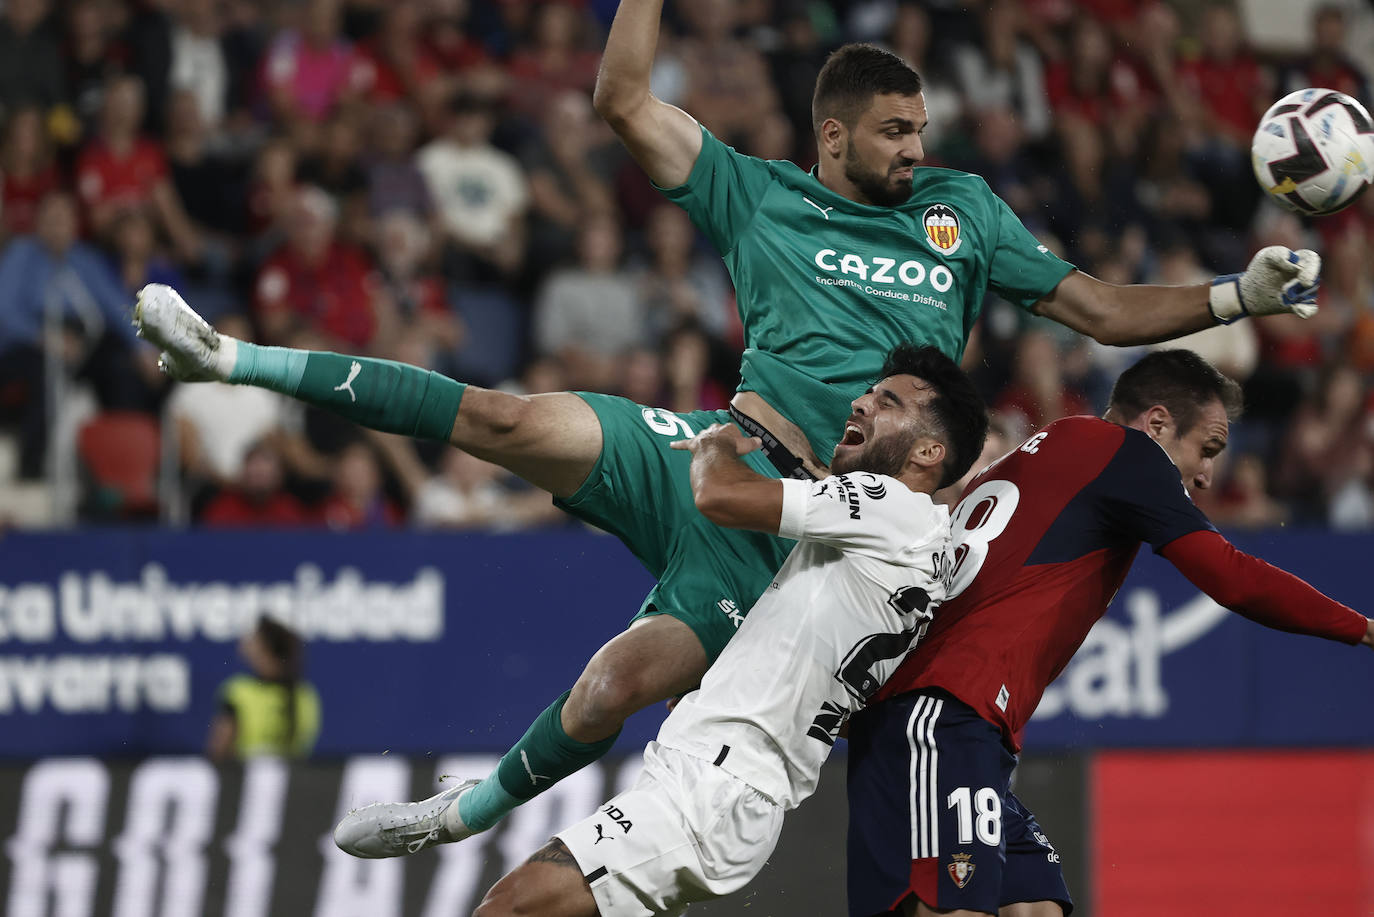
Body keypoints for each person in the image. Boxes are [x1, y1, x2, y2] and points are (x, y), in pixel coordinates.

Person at [133, 6, 1324, 847]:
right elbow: (620, 100)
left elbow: (1098, 306)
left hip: (809, 543)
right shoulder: (758, 191)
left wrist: (1236, 297)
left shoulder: (963, 213)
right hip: (712, 450)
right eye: (897, 133)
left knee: (611, 688)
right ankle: (227, 355)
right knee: (503, 413)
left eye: (923, 128)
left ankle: (458, 813)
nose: (921, 150)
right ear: (835, 138)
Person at [333, 345, 988, 917]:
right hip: (720, 782)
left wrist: (718, 443)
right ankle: (459, 814)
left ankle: (457, 817)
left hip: (715, 788)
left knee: (510, 907)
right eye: (870, 391)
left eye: (889, 401)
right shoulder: (913, 556)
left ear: (930, 451)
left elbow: (720, 498)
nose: (862, 403)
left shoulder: (887, 505)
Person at [846, 350, 1374, 917]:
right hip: (942, 709)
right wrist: (1363, 628)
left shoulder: (1057, 444)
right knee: (955, 907)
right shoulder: (1129, 455)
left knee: (1036, 903)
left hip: (950, 713)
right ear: (1157, 423)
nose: (1204, 476)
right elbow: (1233, 578)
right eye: (1207, 449)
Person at [207, 615, 322, 760]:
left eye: (253, 639)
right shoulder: (306, 695)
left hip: (245, 781)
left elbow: (218, 751)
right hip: (293, 781)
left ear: (263, 648)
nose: (246, 642)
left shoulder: (238, 692)